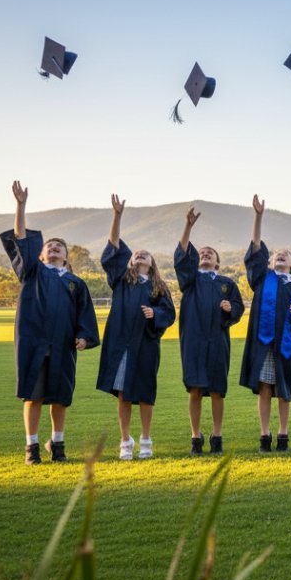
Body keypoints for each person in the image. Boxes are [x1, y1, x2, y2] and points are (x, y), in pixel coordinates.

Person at [0, 181, 99, 464]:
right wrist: (21, 206)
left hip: (62, 346)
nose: (54, 248)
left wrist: (84, 337)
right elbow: (21, 238)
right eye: (49, 246)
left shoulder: (75, 283)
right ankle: (31, 447)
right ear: (40, 254)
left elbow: (85, 316)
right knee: (33, 396)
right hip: (34, 344)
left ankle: (57, 444)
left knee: (60, 398)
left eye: (59, 247)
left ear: (67, 257)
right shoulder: (33, 272)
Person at [96, 194, 176, 460]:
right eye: (136, 253)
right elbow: (114, 247)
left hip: (145, 344)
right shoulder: (121, 280)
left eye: (146, 254)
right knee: (123, 394)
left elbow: (169, 313)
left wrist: (155, 313)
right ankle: (125, 441)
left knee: (144, 393)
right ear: (130, 261)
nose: (140, 254)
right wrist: (117, 216)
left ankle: (145, 439)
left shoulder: (158, 287)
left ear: (152, 263)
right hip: (122, 344)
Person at [240, 195, 291, 453]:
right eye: (277, 256)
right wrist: (258, 217)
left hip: (285, 346)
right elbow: (256, 251)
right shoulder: (262, 280)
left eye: (285, 256)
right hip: (263, 345)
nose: (280, 256)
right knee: (264, 389)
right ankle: (264, 435)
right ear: (271, 263)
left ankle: (283, 434)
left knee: (283, 391)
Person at [174, 206, 244, 455]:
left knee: (216, 389)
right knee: (194, 387)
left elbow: (239, 308)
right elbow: (182, 256)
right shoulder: (190, 280)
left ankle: (216, 435)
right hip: (193, 340)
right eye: (201, 252)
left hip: (217, 341)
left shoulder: (227, 284)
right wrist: (188, 227)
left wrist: (229, 309)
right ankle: (195, 436)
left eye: (209, 253)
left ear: (217, 262)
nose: (204, 254)